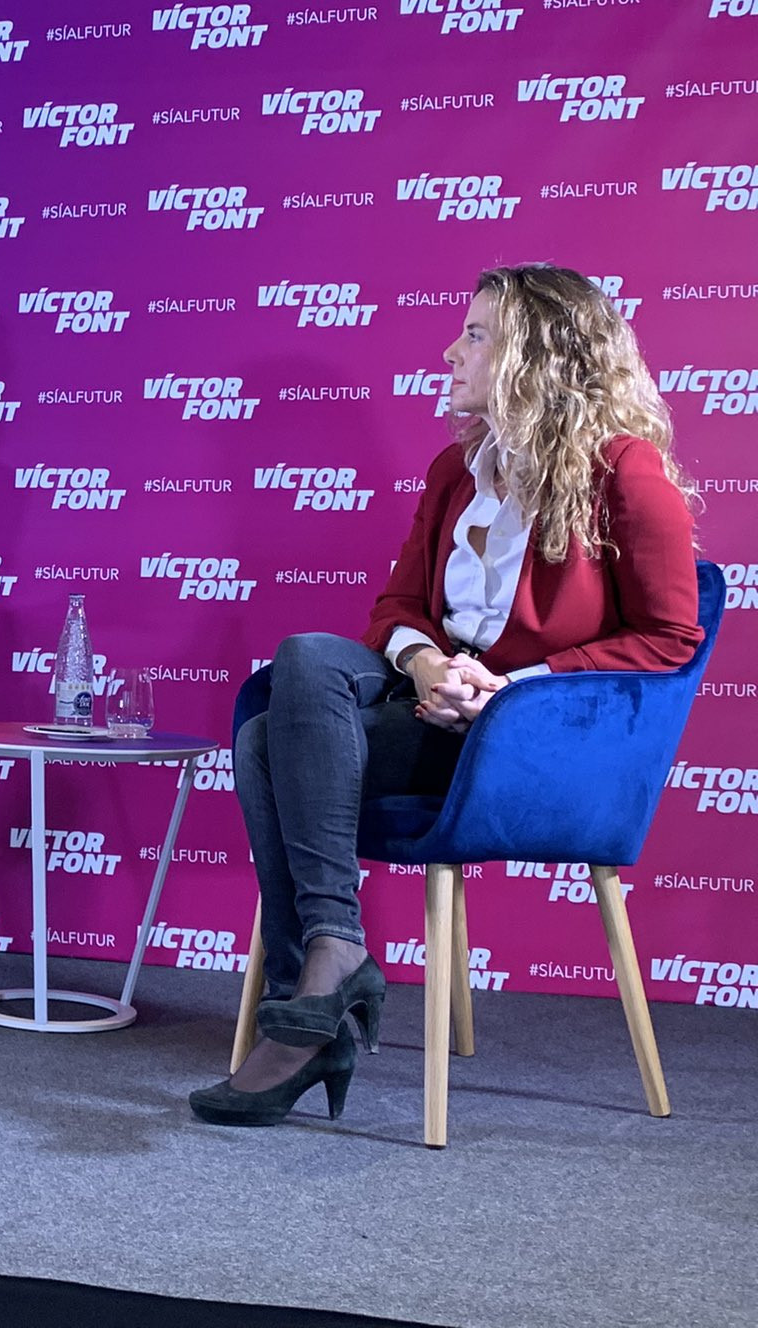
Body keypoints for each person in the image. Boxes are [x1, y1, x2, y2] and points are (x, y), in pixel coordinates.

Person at [191, 265, 702, 1125]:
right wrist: (427, 664)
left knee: (264, 742)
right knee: (305, 663)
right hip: (427, 709)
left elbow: (670, 638)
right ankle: (329, 964)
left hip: (524, 743)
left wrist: (509, 692)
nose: (450, 350)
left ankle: (313, 993)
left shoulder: (627, 473)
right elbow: (395, 607)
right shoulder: (456, 470)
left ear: (534, 355)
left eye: (474, 335)